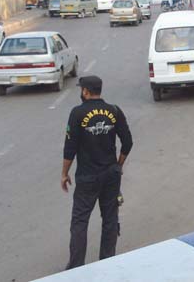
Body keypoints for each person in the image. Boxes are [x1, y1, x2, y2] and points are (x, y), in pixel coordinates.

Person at [61, 75, 133, 270]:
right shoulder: (114, 111)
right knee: (110, 218)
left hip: (87, 177)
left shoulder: (77, 113)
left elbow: (70, 148)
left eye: (81, 89)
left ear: (85, 91)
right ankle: (108, 262)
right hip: (110, 175)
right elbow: (127, 142)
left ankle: (76, 268)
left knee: (80, 221)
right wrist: (118, 165)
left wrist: (64, 174)